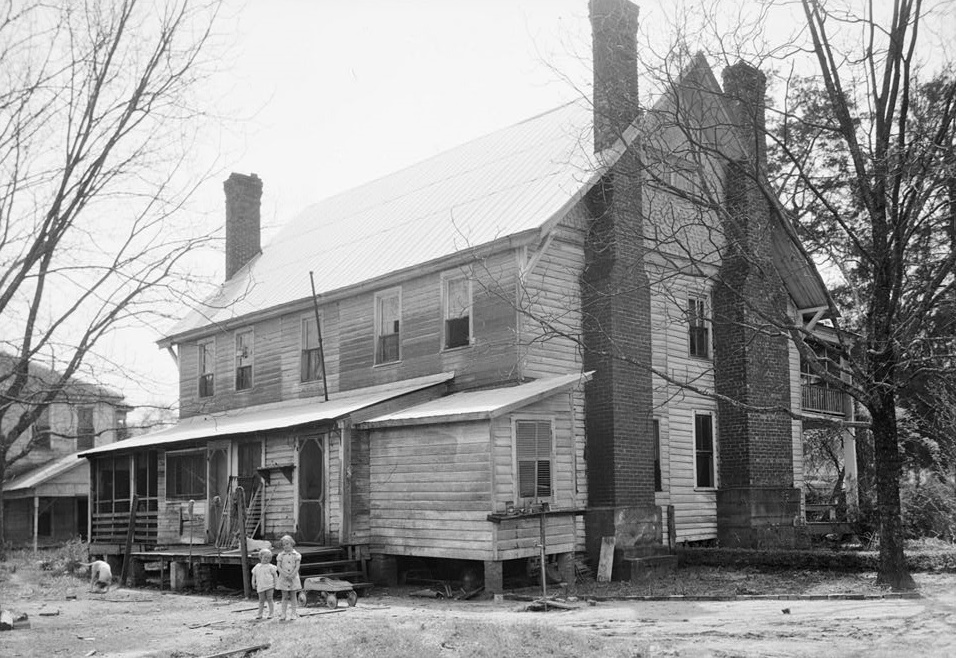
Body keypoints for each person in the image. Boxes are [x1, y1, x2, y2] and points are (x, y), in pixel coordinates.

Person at [275, 534, 302, 621]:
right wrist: (285, 575)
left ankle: (293, 613)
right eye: (283, 545)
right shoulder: (281, 555)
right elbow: (278, 567)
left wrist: (292, 575)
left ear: (291, 543)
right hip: (284, 577)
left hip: (293, 577)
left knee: (293, 595)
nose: (285, 546)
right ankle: (283, 614)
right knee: (284, 596)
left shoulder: (296, 554)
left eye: (287, 544)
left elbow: (297, 566)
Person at [250, 548, 278, 620]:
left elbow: (275, 575)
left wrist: (276, 583)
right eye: (265, 557)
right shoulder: (257, 567)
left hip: (269, 585)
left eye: (269, 558)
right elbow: (254, 575)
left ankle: (271, 613)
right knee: (261, 600)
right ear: (260, 557)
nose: (266, 559)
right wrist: (253, 582)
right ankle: (260, 614)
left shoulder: (271, 567)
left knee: (270, 599)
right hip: (260, 586)